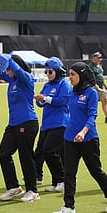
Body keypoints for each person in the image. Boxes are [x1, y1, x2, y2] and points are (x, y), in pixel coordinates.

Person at [52, 62, 107, 213]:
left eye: (73, 74)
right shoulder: (72, 93)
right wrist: (44, 100)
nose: (70, 77)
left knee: (95, 171)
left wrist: (83, 132)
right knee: (69, 173)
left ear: (81, 76)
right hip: (70, 138)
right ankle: (69, 207)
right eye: (69, 74)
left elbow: (92, 116)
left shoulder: (91, 93)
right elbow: (60, 101)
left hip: (88, 139)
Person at [0, 54, 40, 202]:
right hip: (14, 123)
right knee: (4, 153)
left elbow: (18, 71)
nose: (7, 72)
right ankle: (13, 187)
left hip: (27, 122)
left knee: (25, 156)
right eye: (7, 69)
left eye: (9, 69)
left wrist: (10, 61)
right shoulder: (12, 80)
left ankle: (32, 190)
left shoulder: (26, 78)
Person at [33, 57, 70, 192]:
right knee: (43, 151)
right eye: (46, 72)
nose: (48, 75)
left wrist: (46, 99)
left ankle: (62, 179)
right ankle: (56, 181)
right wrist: (41, 100)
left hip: (60, 123)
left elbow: (64, 100)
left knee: (50, 151)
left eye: (50, 72)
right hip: (47, 124)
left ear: (58, 72)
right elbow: (40, 102)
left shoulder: (63, 84)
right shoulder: (47, 85)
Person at [89, 52, 107, 123]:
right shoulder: (90, 67)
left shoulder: (100, 66)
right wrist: (94, 85)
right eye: (98, 58)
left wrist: (105, 86)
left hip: (101, 88)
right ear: (93, 58)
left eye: (100, 58)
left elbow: (101, 77)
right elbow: (90, 77)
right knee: (93, 103)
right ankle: (91, 118)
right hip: (94, 88)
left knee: (104, 101)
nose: (99, 59)